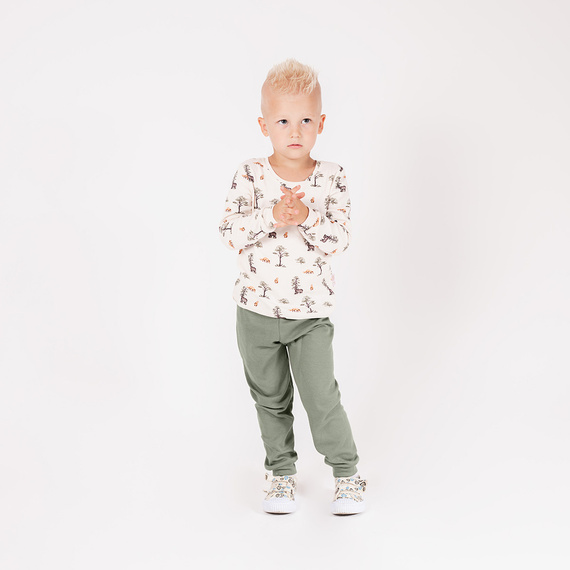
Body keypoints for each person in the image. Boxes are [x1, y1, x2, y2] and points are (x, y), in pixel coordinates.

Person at [219, 59, 366, 515]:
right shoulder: (250, 175)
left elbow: (340, 240)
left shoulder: (332, 177)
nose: (295, 131)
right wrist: (270, 215)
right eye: (283, 121)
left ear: (320, 123)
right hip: (256, 312)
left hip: (309, 316)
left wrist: (306, 217)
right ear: (264, 126)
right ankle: (280, 473)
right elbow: (229, 233)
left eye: (305, 120)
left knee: (321, 398)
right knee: (270, 400)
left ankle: (347, 474)